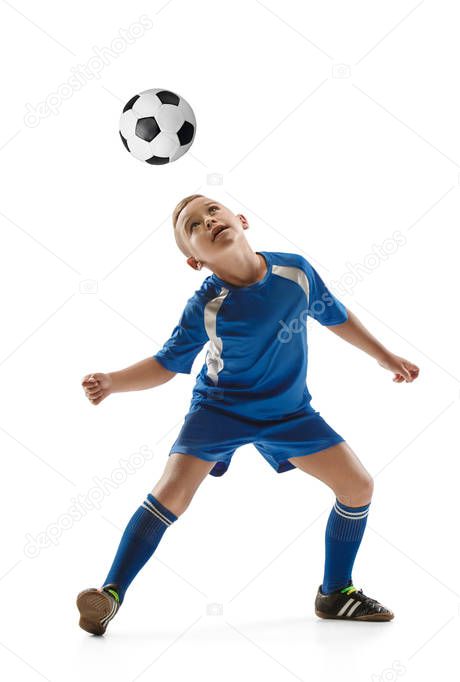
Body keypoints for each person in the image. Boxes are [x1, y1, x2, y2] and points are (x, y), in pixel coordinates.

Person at [76, 194, 420, 635]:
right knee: (172, 494)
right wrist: (112, 381)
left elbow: (334, 314)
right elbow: (166, 365)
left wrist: (385, 356)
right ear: (195, 260)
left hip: (288, 412)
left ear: (240, 219)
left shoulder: (294, 270)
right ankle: (109, 595)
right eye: (193, 226)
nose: (208, 220)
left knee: (358, 486)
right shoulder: (207, 305)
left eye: (212, 210)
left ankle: (335, 593)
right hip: (220, 410)